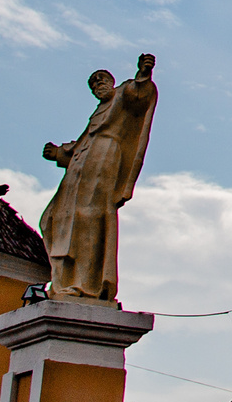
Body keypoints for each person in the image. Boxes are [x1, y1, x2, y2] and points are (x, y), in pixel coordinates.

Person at [38, 54, 158, 300]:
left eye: (100, 80)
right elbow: (79, 145)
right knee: (54, 218)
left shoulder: (123, 94)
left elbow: (140, 96)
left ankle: (87, 283)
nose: (97, 86)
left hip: (104, 158)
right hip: (80, 167)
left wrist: (143, 72)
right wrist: (58, 154)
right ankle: (63, 281)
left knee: (89, 215)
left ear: (111, 81)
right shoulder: (97, 114)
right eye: (93, 85)